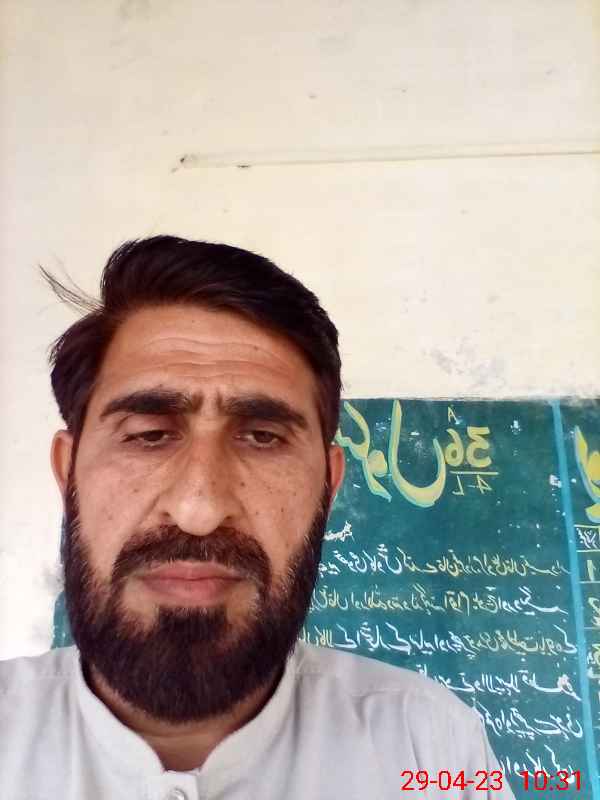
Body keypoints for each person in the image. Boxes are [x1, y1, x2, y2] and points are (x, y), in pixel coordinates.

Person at [0, 236, 514, 799]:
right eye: (148, 435)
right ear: (68, 471)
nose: (199, 511)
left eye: (263, 437)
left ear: (328, 485)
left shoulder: (433, 744)